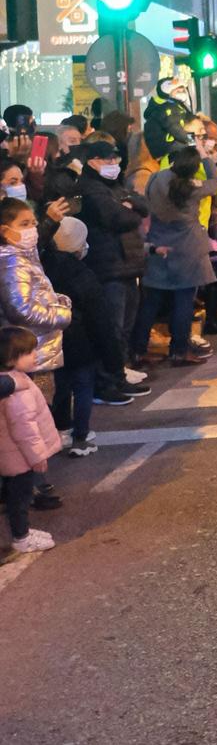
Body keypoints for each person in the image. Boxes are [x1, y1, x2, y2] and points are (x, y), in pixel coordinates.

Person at [0, 197, 69, 514]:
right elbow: (21, 308)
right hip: (30, 354)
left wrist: (56, 299)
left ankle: (31, 483)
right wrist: (61, 313)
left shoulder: (22, 256)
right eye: (24, 225)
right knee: (30, 423)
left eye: (33, 223)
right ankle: (30, 486)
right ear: (6, 230)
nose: (32, 230)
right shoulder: (12, 261)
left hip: (36, 350)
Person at [74, 138, 151, 402]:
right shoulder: (91, 189)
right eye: (107, 160)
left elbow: (143, 205)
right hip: (108, 266)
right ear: (92, 162)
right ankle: (106, 382)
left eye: (116, 160)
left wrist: (132, 206)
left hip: (127, 264)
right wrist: (129, 210)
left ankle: (119, 375)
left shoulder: (114, 186)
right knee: (111, 327)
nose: (113, 164)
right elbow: (119, 218)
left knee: (126, 325)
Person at [131, 146, 217, 366]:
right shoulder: (191, 187)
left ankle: (137, 350)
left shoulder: (155, 179)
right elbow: (216, 183)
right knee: (183, 301)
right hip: (188, 247)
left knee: (151, 302)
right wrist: (207, 158)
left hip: (158, 243)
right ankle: (178, 350)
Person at [42, 215, 123, 458]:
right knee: (84, 388)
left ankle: (62, 429)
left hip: (55, 340)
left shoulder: (43, 267)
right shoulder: (83, 275)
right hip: (81, 342)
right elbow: (100, 318)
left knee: (62, 386)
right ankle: (81, 436)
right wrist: (113, 357)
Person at [0, 326, 62, 552]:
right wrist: (37, 458)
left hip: (11, 455)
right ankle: (21, 537)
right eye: (29, 352)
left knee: (15, 495)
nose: (35, 355)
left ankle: (22, 532)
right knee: (20, 498)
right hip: (18, 458)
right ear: (10, 358)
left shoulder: (13, 381)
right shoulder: (16, 390)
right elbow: (24, 429)